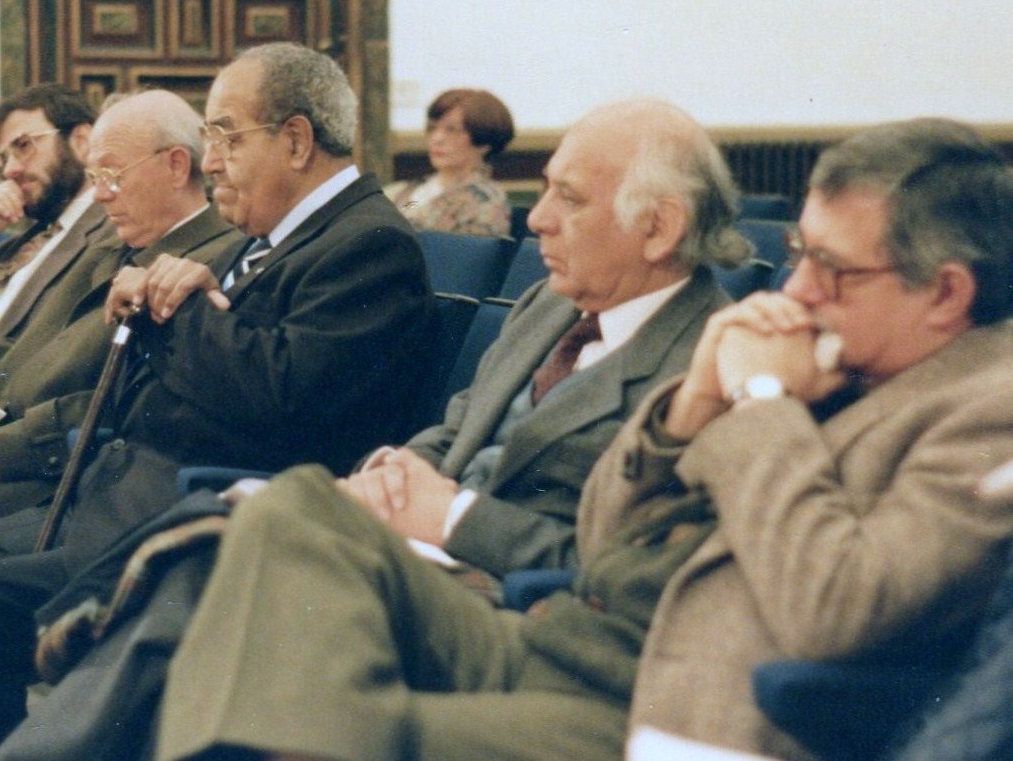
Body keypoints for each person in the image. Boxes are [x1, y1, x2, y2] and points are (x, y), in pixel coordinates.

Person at [153, 116, 1013, 761]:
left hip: (663, 701)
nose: (800, 287)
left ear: (944, 293)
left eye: (835, 268)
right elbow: (604, 536)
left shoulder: (985, 409)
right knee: (295, 509)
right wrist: (696, 401)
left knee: (324, 719)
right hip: (561, 635)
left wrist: (756, 400)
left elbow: (839, 604)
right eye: (798, 254)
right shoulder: (842, 354)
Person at [0, 96, 749, 761]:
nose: (537, 217)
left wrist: (450, 515)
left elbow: (626, 567)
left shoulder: (712, 366)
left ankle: (85, 651)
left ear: (658, 227)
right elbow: (454, 430)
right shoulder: (553, 305)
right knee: (263, 531)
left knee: (234, 565)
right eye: (544, 190)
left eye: (569, 199)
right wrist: (391, 478)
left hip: (501, 598)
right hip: (411, 544)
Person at [0, 42, 435, 761]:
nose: (213, 160)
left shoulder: (370, 244)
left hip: (176, 524)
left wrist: (181, 309)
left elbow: (279, 399)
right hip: (110, 496)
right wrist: (155, 309)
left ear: (295, 140)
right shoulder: (267, 243)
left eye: (227, 135)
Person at [0, 89, 241, 525]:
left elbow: (134, 401)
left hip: (48, 481)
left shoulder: (208, 263)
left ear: (176, 166)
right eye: (94, 177)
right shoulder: (112, 247)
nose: (99, 196)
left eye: (111, 174)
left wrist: (8, 451)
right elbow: (19, 348)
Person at [0, 83, 114, 355]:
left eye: (24, 145)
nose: (11, 170)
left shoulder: (113, 233)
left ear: (81, 142)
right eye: (4, 158)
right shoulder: (17, 245)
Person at [385, 88, 514, 237]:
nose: (437, 138)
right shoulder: (402, 189)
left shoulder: (487, 203)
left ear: (483, 142)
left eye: (451, 130)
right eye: (433, 128)